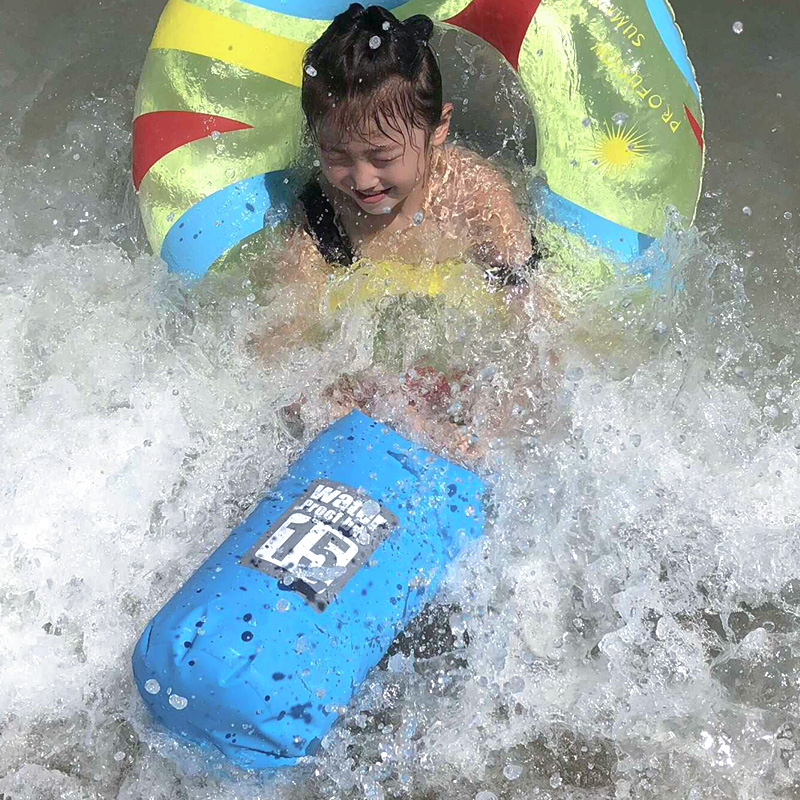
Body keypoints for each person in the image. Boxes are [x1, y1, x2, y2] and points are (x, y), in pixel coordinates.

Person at [259, 3, 541, 458]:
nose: (363, 179)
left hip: (465, 376)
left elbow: (533, 316)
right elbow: (282, 355)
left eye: (383, 157)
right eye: (338, 156)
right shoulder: (318, 223)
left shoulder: (475, 198)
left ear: (438, 129)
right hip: (377, 395)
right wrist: (368, 400)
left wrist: (494, 419)